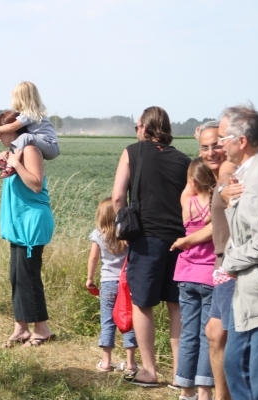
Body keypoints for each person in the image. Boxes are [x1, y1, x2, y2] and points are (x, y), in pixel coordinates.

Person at [112, 106, 191, 387]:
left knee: (142, 303)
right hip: (181, 241)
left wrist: (122, 231)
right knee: (176, 306)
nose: (136, 132)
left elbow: (118, 196)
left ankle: (149, 370)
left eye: (137, 127)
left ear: (145, 128)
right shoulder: (184, 160)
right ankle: (182, 374)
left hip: (146, 239)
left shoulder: (133, 152)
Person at [170, 121, 239, 399]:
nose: (212, 151)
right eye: (205, 147)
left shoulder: (218, 182)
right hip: (212, 270)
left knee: (203, 332)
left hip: (203, 270)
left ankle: (191, 389)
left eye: (217, 144)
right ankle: (204, 390)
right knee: (210, 333)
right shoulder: (217, 186)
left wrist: (187, 240)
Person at [0, 111, 55, 349]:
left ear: (14, 130)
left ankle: (42, 329)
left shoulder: (30, 150)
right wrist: (6, 162)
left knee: (29, 277)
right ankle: (21, 328)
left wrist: (16, 163)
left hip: (31, 223)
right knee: (17, 276)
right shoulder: (18, 152)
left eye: (1, 131)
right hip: (18, 223)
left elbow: (36, 184)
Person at [219, 104, 258, 400]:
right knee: (236, 366)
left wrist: (229, 263)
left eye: (223, 138)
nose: (220, 145)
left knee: (248, 374)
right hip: (248, 291)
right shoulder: (246, 174)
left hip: (257, 294)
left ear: (241, 141)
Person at [172, 157, 217, 400]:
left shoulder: (186, 202)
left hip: (185, 275)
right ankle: (205, 391)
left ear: (192, 181)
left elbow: (189, 187)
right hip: (209, 276)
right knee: (206, 334)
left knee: (188, 332)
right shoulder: (216, 205)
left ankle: (185, 389)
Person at [86, 197, 137, 373]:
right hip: (127, 283)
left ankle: (106, 362)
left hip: (107, 283)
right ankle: (131, 364)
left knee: (107, 321)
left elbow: (93, 257)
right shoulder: (127, 234)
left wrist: (89, 278)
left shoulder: (98, 234)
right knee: (128, 321)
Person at [0, 82, 60, 178]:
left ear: (21, 99)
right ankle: (8, 159)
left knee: (25, 137)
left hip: (50, 146)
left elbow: (12, 127)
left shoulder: (30, 114)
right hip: (49, 146)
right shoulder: (33, 113)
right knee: (24, 138)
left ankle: (10, 165)